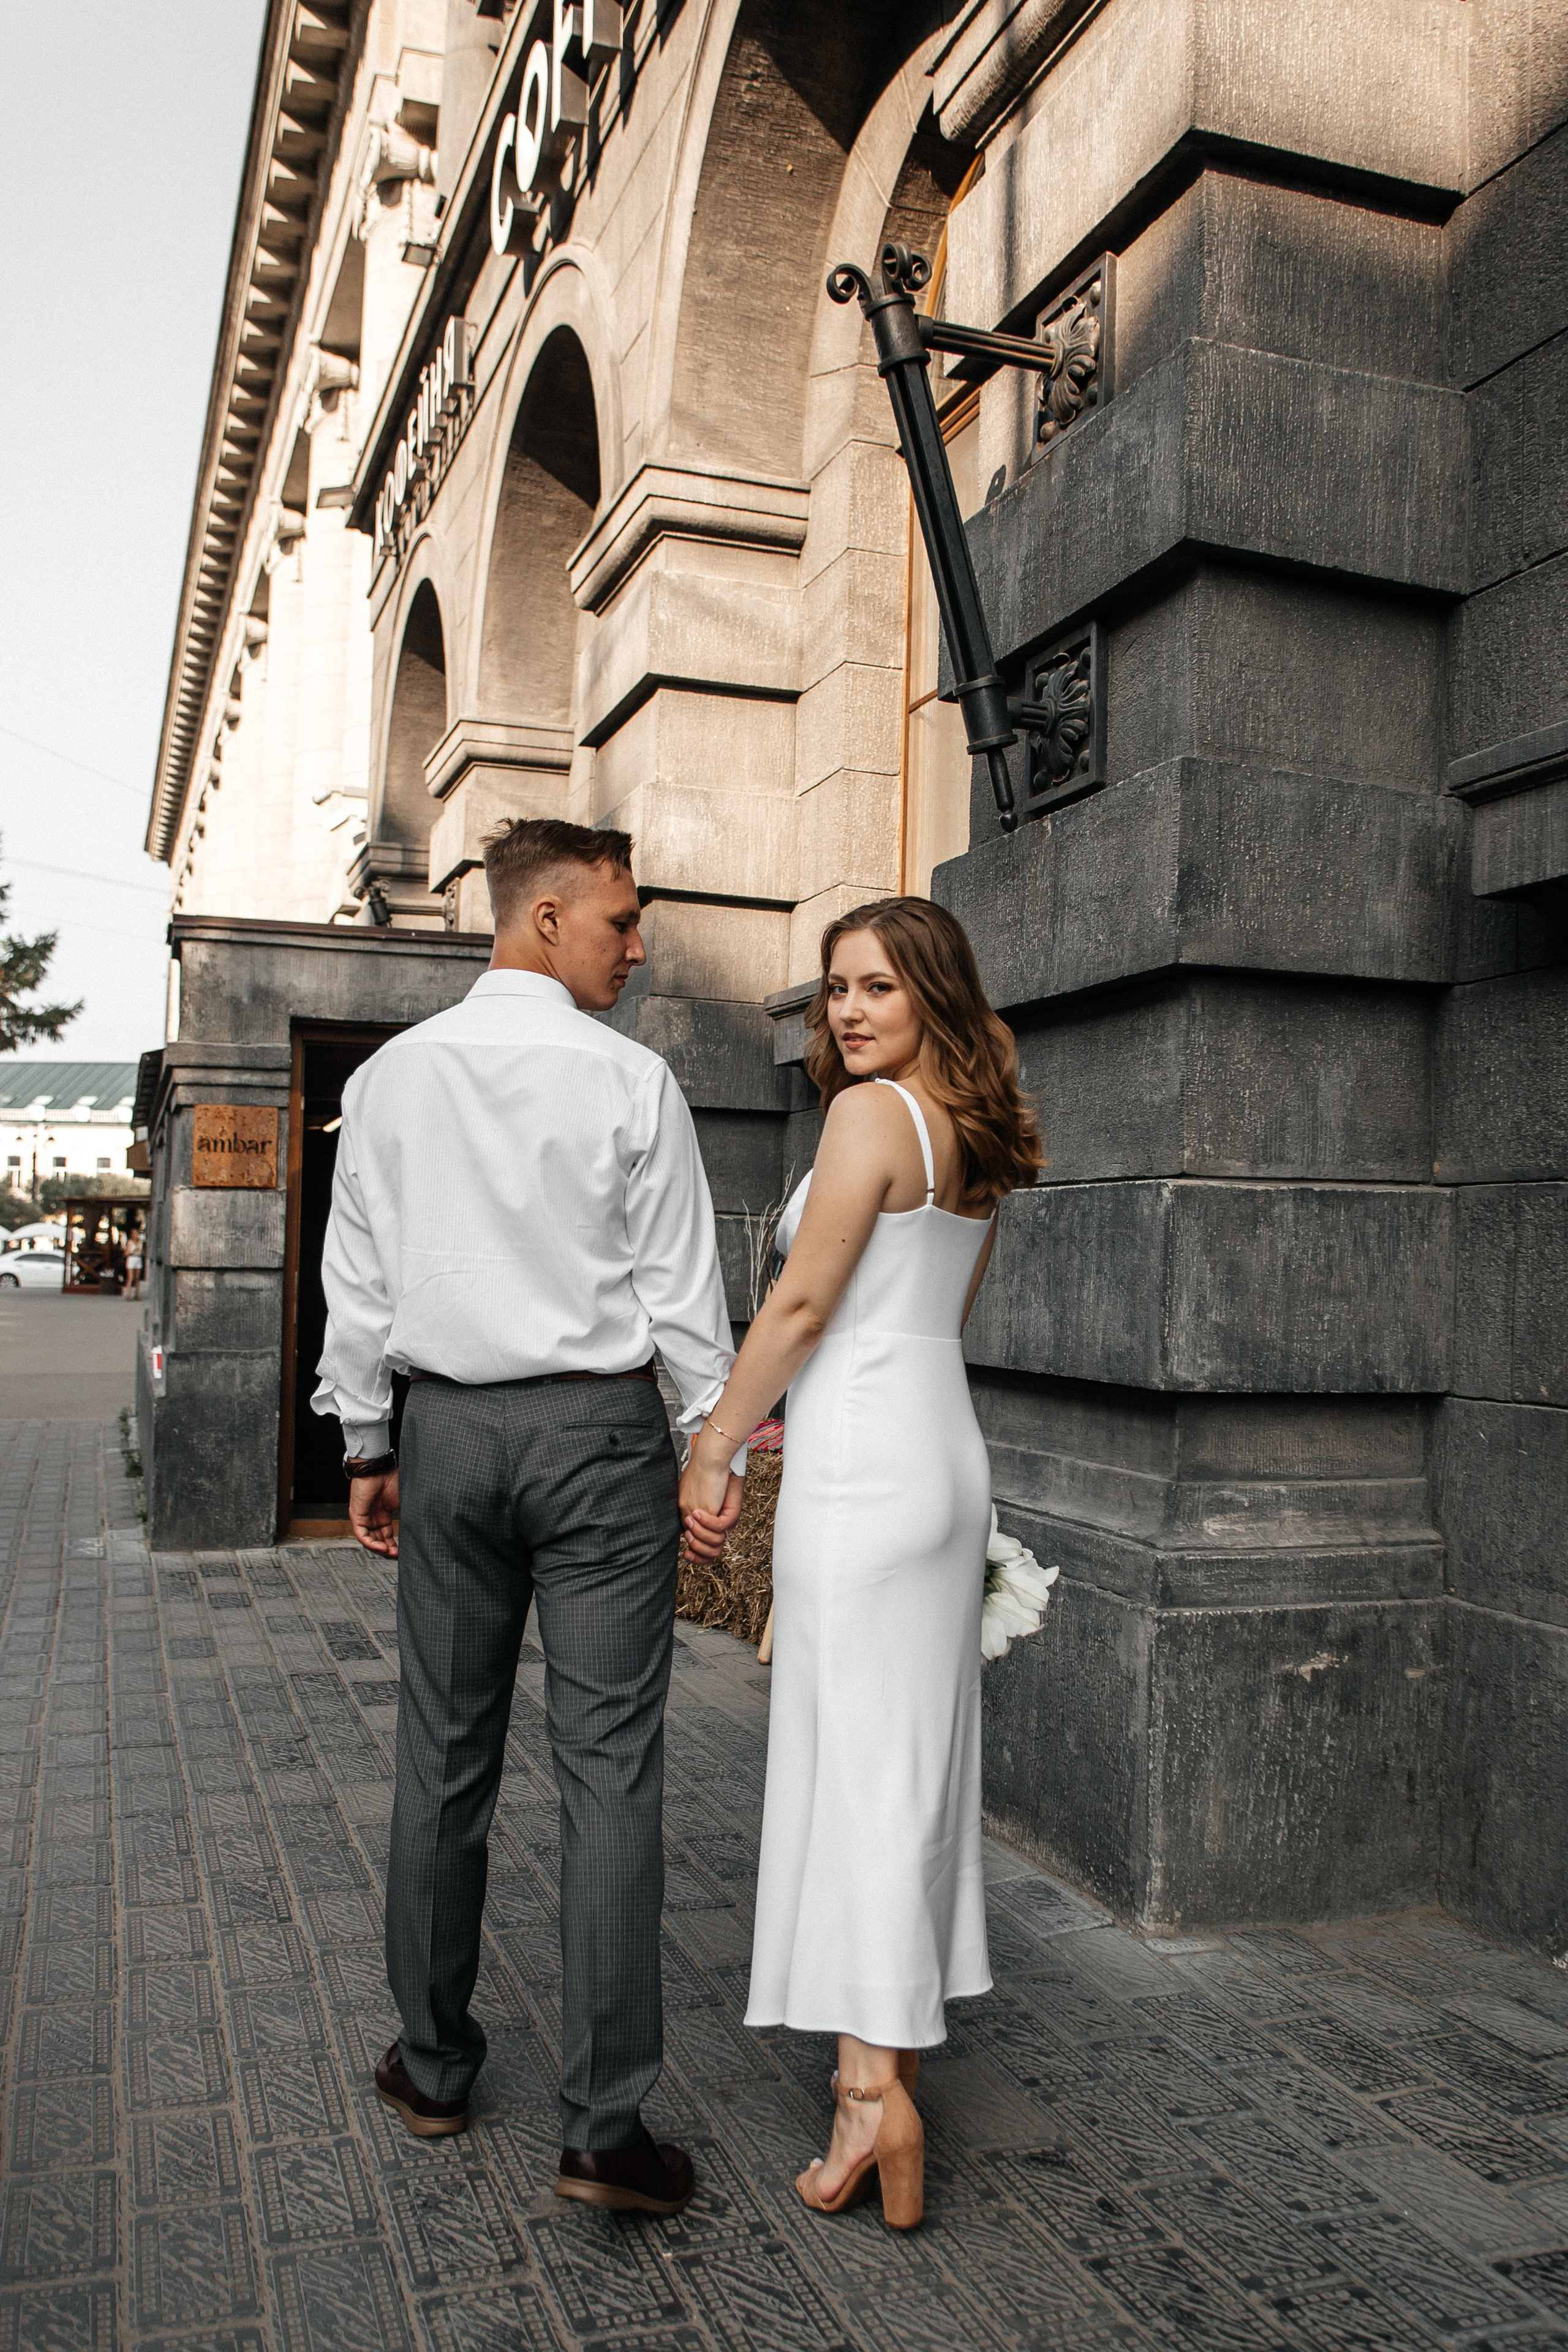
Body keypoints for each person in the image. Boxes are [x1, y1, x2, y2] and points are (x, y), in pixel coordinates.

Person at [313, 817, 745, 2217]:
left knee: (443, 1753)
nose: (637, 944)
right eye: (620, 920)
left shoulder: (389, 1080)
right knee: (608, 1766)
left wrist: (367, 1440)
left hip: (445, 1430)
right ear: (545, 919)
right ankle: (603, 2130)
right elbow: (681, 1293)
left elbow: (359, 1277)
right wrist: (712, 1446)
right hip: (599, 1442)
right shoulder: (630, 1081)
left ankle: (432, 2069)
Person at [679, 897, 1041, 2230]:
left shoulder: (867, 1117)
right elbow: (935, 1312)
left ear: (929, 993)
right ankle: (864, 2078)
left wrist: (716, 1444)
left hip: (863, 1465)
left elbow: (805, 1302)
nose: (843, 1009)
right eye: (833, 987)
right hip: (937, 1451)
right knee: (898, 1762)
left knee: (858, 1766)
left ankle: (873, 2089)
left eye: (874, 986)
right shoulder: (976, 1133)